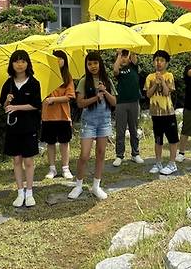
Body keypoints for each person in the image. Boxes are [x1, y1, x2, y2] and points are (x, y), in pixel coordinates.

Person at [68, 52, 117, 200]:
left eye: (95, 63)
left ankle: (96, 185)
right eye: (90, 64)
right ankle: (78, 185)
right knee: (84, 155)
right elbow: (80, 103)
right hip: (89, 122)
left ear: (100, 64)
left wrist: (104, 91)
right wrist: (96, 97)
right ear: (86, 66)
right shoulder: (84, 81)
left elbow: (114, 102)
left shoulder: (107, 81)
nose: (93, 66)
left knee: (101, 153)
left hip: (104, 121)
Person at [0, 49, 42, 208]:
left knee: (28, 160)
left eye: (23, 61)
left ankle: (29, 192)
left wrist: (17, 106)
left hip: (29, 126)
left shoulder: (34, 83)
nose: (19, 64)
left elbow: (36, 105)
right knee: (16, 160)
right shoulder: (8, 83)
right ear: (11, 64)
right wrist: (7, 101)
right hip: (13, 128)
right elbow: (4, 107)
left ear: (27, 64)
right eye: (16, 61)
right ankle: (20, 192)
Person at [41, 50, 75, 180]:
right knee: (50, 143)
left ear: (65, 61)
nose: (58, 61)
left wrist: (54, 100)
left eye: (61, 58)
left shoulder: (67, 77)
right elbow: (41, 94)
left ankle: (65, 168)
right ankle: (52, 168)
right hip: (48, 116)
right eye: (56, 58)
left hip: (63, 116)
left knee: (64, 142)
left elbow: (70, 96)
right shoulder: (46, 76)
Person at [144, 50, 179, 175]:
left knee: (172, 139)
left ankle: (172, 163)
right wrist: (155, 84)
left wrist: (162, 81)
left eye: (162, 61)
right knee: (158, 139)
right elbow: (148, 94)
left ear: (167, 63)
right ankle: (158, 162)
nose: (159, 63)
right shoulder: (149, 77)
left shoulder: (169, 76)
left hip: (168, 113)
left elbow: (166, 92)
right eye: (157, 60)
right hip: (155, 114)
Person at [112, 49, 143, 167]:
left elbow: (134, 58)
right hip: (121, 103)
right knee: (120, 130)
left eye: (126, 56)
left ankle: (135, 154)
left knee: (134, 129)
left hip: (134, 102)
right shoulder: (119, 70)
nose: (124, 59)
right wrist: (119, 54)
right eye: (121, 57)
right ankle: (119, 155)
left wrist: (132, 49)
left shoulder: (134, 67)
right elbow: (115, 70)